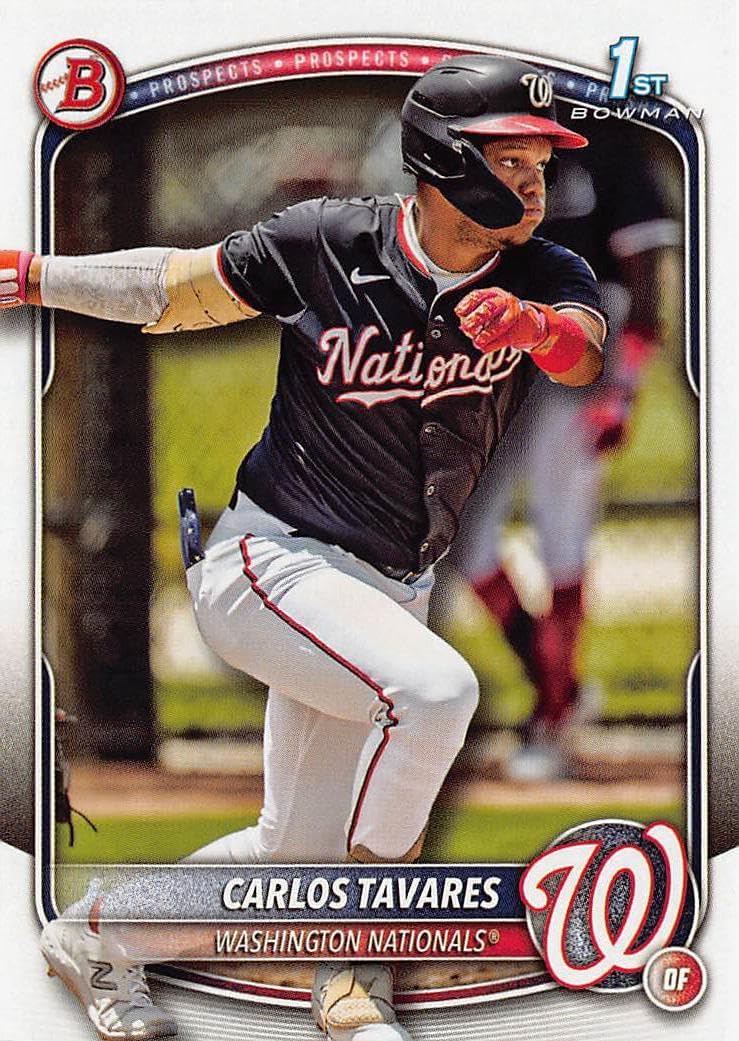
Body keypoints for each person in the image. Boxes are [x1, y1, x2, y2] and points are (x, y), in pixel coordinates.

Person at [2, 55, 605, 1041]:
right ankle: (355, 975)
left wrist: (534, 327)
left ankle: (99, 937)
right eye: (510, 157)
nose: (532, 180)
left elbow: (578, 350)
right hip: (273, 563)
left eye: (539, 161)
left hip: (388, 589)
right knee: (437, 695)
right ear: (444, 158)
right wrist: (36, 277)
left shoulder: (545, 271)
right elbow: (175, 290)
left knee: (293, 861)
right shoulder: (328, 241)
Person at [448, 120, 678, 781]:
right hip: (497, 340)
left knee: (560, 533)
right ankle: (560, 685)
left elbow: (642, 274)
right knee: (462, 535)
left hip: (581, 338)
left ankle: (552, 718)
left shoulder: (607, 142)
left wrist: (623, 384)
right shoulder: (480, 144)